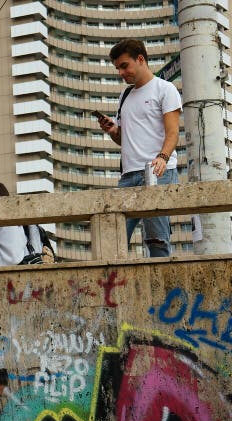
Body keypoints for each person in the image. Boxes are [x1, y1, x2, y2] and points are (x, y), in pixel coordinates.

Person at [96, 38, 182, 257]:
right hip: (128, 176)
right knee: (114, 240)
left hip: (156, 173)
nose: (121, 73)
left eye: (124, 66)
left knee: (157, 240)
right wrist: (113, 131)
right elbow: (124, 139)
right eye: (118, 68)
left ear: (141, 59)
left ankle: (163, 290)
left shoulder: (165, 89)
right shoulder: (124, 96)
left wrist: (162, 157)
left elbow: (173, 133)